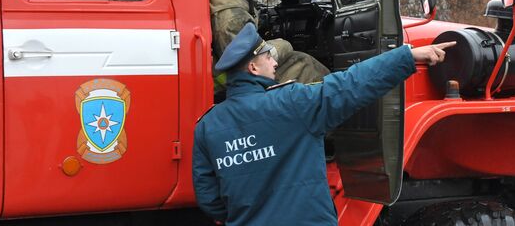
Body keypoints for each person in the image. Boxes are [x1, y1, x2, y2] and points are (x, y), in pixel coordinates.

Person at [192, 23, 455, 225]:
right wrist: (407, 57)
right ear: (252, 67)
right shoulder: (293, 104)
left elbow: (210, 200)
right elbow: (351, 84)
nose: (274, 61)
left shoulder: (207, 126)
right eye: (268, 56)